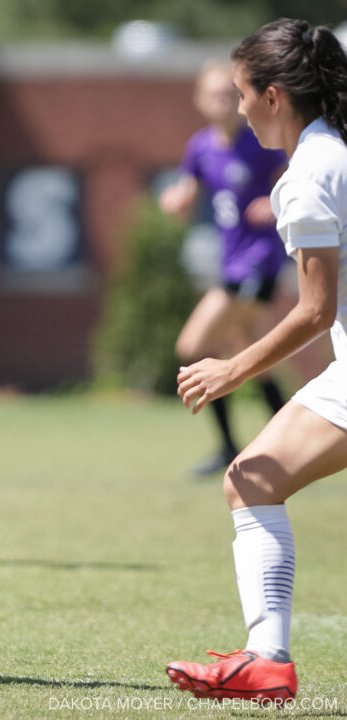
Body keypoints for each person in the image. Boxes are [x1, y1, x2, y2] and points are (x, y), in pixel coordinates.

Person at [166, 18, 347, 701]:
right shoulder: (336, 148)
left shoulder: (308, 173)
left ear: (273, 96)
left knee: (250, 480)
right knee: (251, 479)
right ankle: (263, 658)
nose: (238, 106)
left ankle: (267, 659)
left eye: (243, 92)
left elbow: (313, 310)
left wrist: (228, 369)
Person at [159, 59, 289, 478]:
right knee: (251, 350)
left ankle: (238, 444)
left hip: (260, 262)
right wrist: (176, 201)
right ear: (200, 100)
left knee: (193, 346)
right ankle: (269, 442)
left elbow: (296, 177)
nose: (222, 99)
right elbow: (186, 193)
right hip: (230, 263)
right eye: (213, 93)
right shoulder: (200, 146)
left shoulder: (260, 143)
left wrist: (276, 201)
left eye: (229, 93)